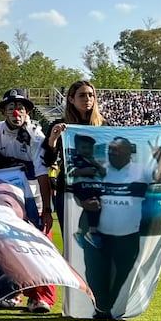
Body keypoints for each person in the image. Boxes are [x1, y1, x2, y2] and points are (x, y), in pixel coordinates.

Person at [0, 88, 55, 313]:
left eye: (21, 108)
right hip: (5, 200)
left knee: (39, 250)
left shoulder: (36, 135)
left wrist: (47, 210)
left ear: (28, 112)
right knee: (7, 249)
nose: (16, 112)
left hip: (33, 200)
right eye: (11, 107)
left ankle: (40, 297)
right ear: (4, 111)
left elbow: (43, 176)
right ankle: (11, 294)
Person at [82, 136, 161, 319]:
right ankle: (101, 307)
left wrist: (160, 155)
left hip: (129, 236)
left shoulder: (140, 171)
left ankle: (106, 307)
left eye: (118, 151)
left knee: (120, 275)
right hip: (101, 235)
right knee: (97, 274)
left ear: (129, 152)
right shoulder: (101, 169)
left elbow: (160, 174)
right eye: (111, 150)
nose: (113, 154)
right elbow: (83, 189)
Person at [43, 80, 105, 230]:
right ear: (71, 99)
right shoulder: (59, 125)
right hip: (68, 190)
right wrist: (53, 139)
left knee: (98, 241)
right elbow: (47, 160)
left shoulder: (104, 125)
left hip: (98, 190)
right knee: (71, 244)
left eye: (91, 95)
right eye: (82, 95)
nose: (87, 99)